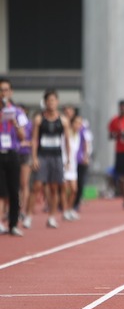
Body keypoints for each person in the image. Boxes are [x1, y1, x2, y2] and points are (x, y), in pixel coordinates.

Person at [27, 89, 71, 229]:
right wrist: (34, 157)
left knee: (54, 187)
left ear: (57, 102)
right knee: (37, 186)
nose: (51, 103)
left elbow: (67, 141)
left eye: (53, 100)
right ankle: (28, 215)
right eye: (48, 101)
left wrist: (68, 159)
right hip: (43, 156)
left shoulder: (63, 120)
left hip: (57, 156)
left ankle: (52, 216)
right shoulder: (39, 119)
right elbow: (34, 140)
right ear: (45, 102)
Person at [0, 78, 27, 236]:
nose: (3, 93)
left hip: (12, 153)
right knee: (0, 190)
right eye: (1, 90)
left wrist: (14, 123)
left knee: (13, 189)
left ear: (11, 92)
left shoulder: (18, 112)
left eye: (6, 90)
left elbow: (23, 136)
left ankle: (14, 223)